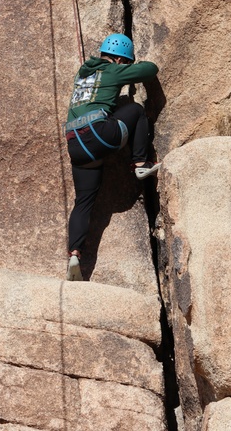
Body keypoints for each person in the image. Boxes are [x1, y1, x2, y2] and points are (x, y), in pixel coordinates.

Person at [62, 33, 160, 281]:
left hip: (75, 143)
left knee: (83, 201)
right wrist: (131, 69)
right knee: (136, 110)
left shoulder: (82, 74)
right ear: (118, 60)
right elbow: (150, 69)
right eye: (124, 63)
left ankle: (75, 253)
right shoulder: (114, 71)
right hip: (98, 134)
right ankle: (140, 163)